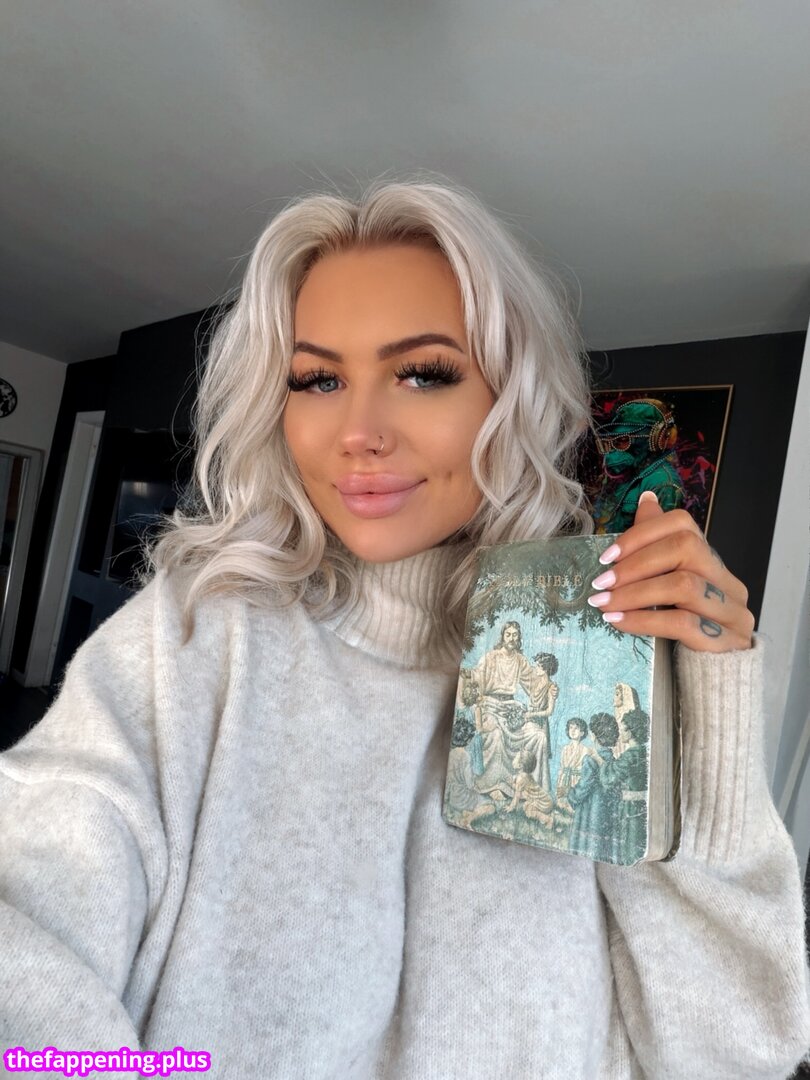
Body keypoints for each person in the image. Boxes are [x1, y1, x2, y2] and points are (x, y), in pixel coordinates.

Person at [1, 179, 808, 1078]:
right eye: (319, 379)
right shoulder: (195, 639)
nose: (359, 432)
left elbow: (731, 1049)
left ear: (511, 398)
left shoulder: (589, 659)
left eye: (423, 373)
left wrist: (706, 711)